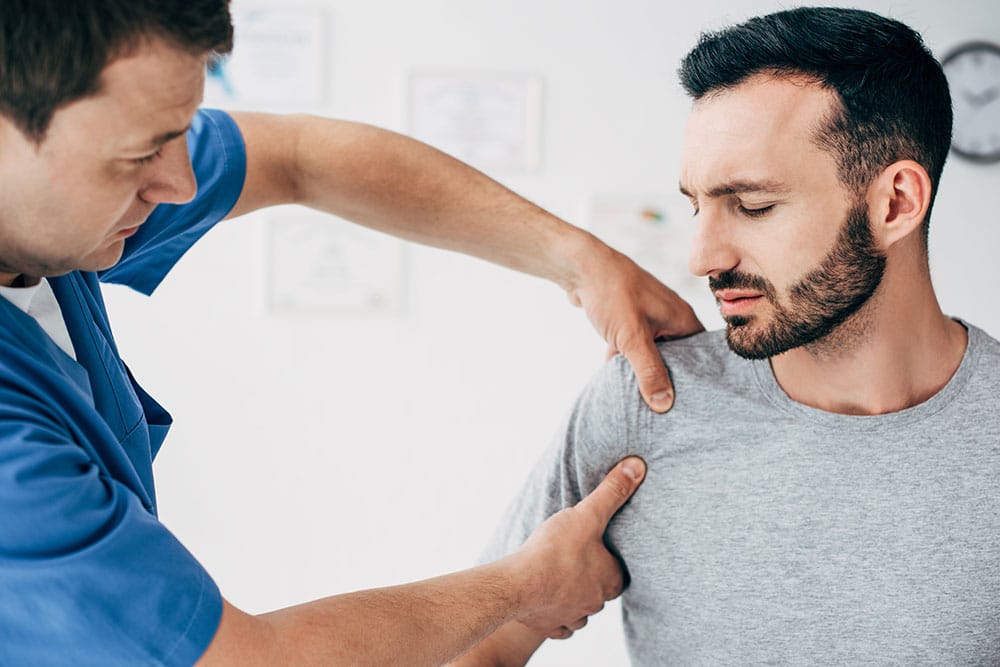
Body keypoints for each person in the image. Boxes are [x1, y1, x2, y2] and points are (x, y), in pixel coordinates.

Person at [0, 1, 707, 664]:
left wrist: (579, 260)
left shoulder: (55, 218)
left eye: (183, 130)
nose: (181, 183)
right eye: (138, 156)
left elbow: (301, 156)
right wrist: (521, 588)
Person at [452, 6, 1000, 666]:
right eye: (697, 205)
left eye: (753, 205)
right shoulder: (645, 403)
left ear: (895, 204)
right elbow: (475, 652)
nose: (702, 256)